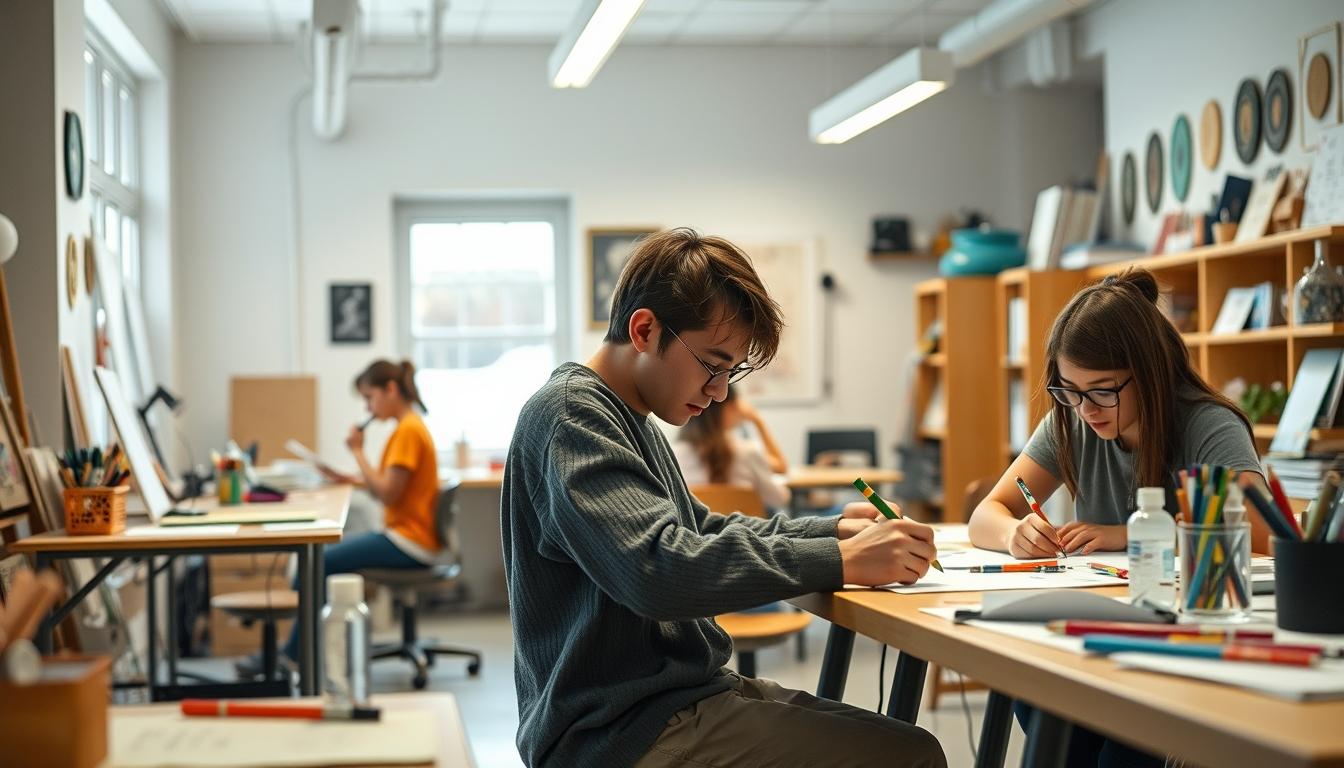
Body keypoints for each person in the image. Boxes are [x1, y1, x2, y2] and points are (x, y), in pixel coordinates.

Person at [502, 227, 946, 768]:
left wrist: (832, 532)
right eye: (712, 365)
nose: (719, 392)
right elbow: (658, 570)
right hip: (617, 731)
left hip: (671, 700)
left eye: (730, 372)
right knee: (911, 756)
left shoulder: (630, 419)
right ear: (645, 330)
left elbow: (701, 530)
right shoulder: (571, 416)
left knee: (904, 743)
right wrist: (839, 559)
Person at [967, 269, 1265, 767]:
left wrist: (1128, 535)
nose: (1086, 408)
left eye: (1103, 390)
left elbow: (1255, 540)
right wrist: (1016, 531)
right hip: (1096, 635)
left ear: (1149, 371)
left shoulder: (1209, 426)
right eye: (1069, 389)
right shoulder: (1072, 420)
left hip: (1179, 642)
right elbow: (986, 513)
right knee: (1037, 700)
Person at [237, 359, 441, 677]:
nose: (367, 407)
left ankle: (294, 655)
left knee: (321, 561)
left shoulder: (408, 432)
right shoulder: (409, 427)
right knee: (321, 560)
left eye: (369, 398)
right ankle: (299, 649)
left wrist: (357, 452)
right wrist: (349, 479)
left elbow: (387, 493)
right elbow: (389, 485)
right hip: (408, 535)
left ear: (390, 390)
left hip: (409, 540)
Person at [672, 385, 791, 510]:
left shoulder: (675, 454)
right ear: (727, 407)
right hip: (744, 522)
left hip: (695, 523)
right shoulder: (746, 453)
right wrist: (757, 420)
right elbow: (780, 498)